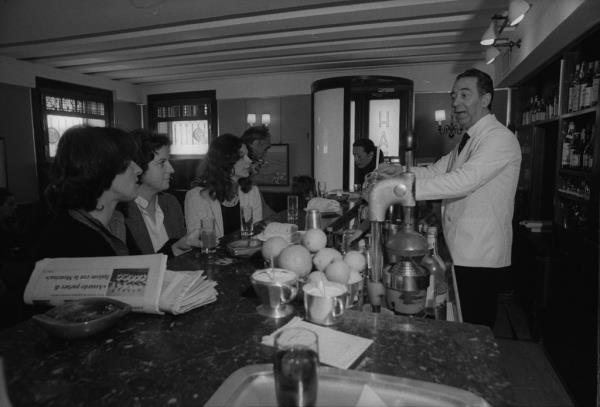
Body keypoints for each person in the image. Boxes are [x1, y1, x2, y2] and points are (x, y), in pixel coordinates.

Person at [378, 68, 521, 328]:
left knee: (475, 330)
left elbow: (463, 181)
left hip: (479, 255)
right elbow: (434, 171)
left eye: (465, 95)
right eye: (454, 96)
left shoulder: (500, 139)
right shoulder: (467, 140)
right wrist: (400, 171)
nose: (455, 103)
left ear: (486, 99)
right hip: (460, 249)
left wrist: (400, 191)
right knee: (460, 321)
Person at [34, 126, 200, 260]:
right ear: (101, 171)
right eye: (128, 163)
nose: (138, 169)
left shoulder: (115, 222)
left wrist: (174, 248)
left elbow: (135, 275)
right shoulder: (67, 239)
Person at [111, 130, 199, 256]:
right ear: (138, 166)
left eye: (169, 161)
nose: (171, 169)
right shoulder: (119, 212)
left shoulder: (170, 203)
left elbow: (183, 257)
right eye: (162, 162)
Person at [185, 133, 262, 239]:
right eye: (241, 156)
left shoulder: (252, 192)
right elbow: (197, 240)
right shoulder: (197, 197)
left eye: (248, 155)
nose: (249, 160)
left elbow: (256, 234)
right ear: (225, 161)